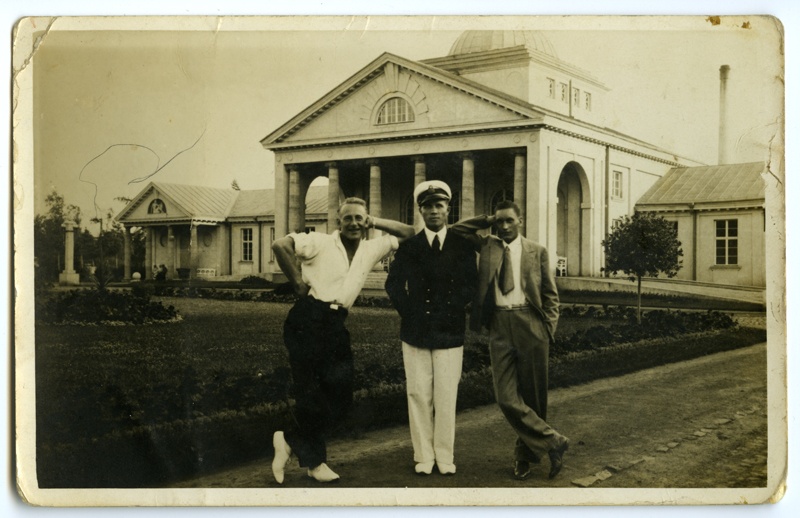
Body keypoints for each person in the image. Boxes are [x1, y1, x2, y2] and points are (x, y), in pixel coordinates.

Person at [270, 197, 414, 484]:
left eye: (359, 218)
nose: (353, 223)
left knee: (341, 395)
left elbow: (409, 233)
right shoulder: (320, 242)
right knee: (310, 392)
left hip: (336, 324)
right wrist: (298, 283)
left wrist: (377, 221)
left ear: (365, 221)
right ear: (338, 222)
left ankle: (287, 440)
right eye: (348, 218)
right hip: (307, 319)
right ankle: (315, 463)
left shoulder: (372, 248)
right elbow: (280, 245)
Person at [452, 200, 569, 480]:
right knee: (505, 397)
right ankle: (554, 441)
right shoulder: (488, 245)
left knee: (534, 397)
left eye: (509, 221)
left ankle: (524, 459)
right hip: (499, 324)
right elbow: (456, 230)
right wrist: (488, 217)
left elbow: (551, 295)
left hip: (530, 322)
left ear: (520, 221)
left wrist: (547, 328)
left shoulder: (537, 251)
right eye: (499, 222)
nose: (504, 226)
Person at [385, 180, 477, 476]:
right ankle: (423, 455)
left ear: (448, 208)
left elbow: (470, 285)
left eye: (439, 205)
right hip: (416, 331)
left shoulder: (461, 246)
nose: (434, 211)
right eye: (428, 206)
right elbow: (393, 284)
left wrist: (452, 307)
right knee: (418, 394)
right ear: (420, 211)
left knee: (446, 394)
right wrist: (410, 312)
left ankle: (444, 455)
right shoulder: (409, 246)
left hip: (449, 331)